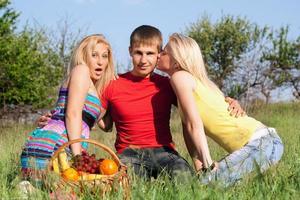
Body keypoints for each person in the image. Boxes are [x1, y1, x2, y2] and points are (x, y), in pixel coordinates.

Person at [38, 25, 244, 180]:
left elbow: (201, 105)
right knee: (127, 185)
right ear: (130, 51)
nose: (144, 60)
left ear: (159, 54)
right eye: (138, 53)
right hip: (128, 153)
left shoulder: (168, 84)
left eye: (150, 54)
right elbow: (98, 120)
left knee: (185, 180)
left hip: (164, 151)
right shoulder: (113, 84)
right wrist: (56, 117)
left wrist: (229, 101)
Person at [157, 33, 284, 186]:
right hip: (260, 144)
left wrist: (208, 164)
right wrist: (200, 168)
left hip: (262, 143)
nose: (158, 55)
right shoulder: (189, 84)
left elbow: (194, 124)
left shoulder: (180, 77)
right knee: (203, 184)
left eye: (164, 52)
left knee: (208, 185)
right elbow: (189, 132)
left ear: (177, 62)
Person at [20, 34, 115, 184]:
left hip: (64, 145)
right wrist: (78, 156)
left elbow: (106, 126)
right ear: (83, 56)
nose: (100, 62)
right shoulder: (81, 70)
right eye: (94, 55)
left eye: (104, 56)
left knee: (50, 190)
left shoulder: (94, 90)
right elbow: (72, 114)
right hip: (56, 146)